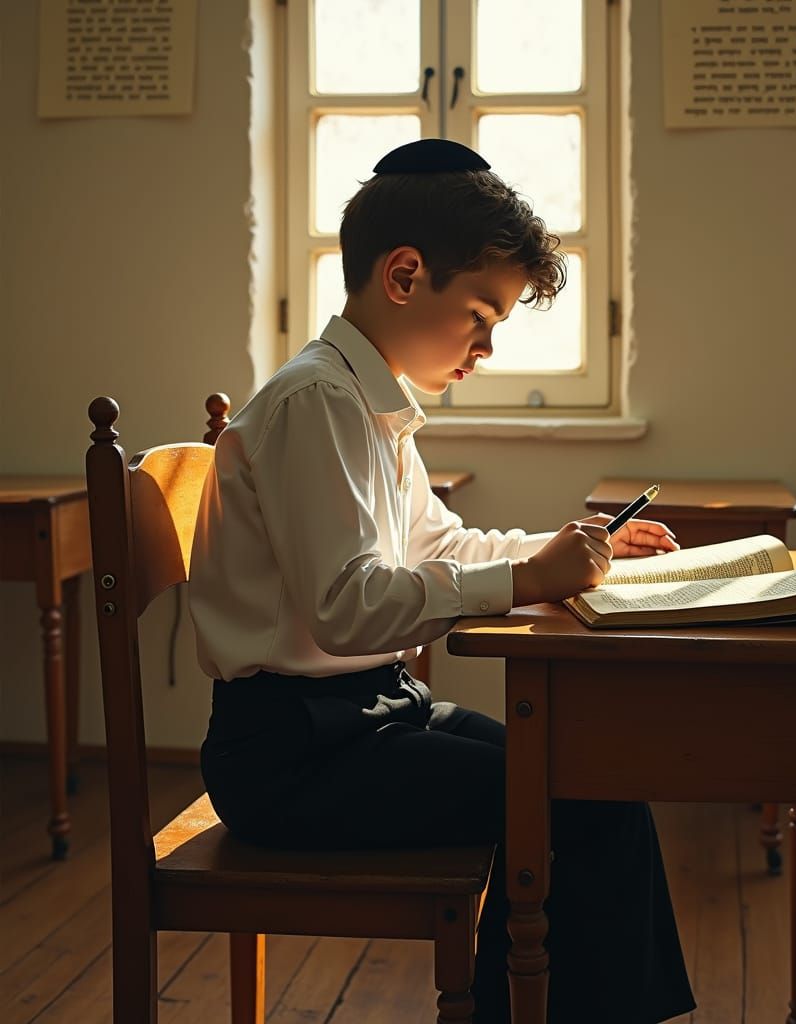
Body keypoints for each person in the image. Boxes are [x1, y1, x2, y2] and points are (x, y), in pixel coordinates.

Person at [188, 138, 696, 1023]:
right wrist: (529, 577)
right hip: (293, 758)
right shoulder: (316, 403)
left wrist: (561, 551)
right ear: (404, 275)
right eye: (480, 315)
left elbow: (441, 545)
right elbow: (348, 610)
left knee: (592, 778)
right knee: (576, 810)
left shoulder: (368, 404)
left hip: (365, 721)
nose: (486, 347)